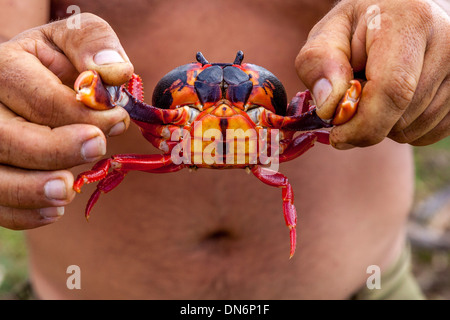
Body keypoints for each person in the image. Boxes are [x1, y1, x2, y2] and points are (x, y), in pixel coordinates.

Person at [0, 0, 448, 299]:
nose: (221, 92)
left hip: (363, 285)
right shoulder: (155, 120)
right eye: (203, 85)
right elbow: (11, 50)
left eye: (239, 84)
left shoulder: (285, 120)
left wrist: (433, 24)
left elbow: (430, 11)